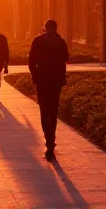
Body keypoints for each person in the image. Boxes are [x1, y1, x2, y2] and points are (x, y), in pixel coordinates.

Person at [28, 19, 70, 161]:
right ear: (56, 28)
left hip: (42, 79)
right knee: (54, 110)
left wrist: (34, 75)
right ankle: (52, 139)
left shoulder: (37, 40)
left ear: (44, 28)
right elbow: (66, 57)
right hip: (56, 80)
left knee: (44, 110)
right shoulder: (61, 41)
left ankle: (49, 141)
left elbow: (31, 60)